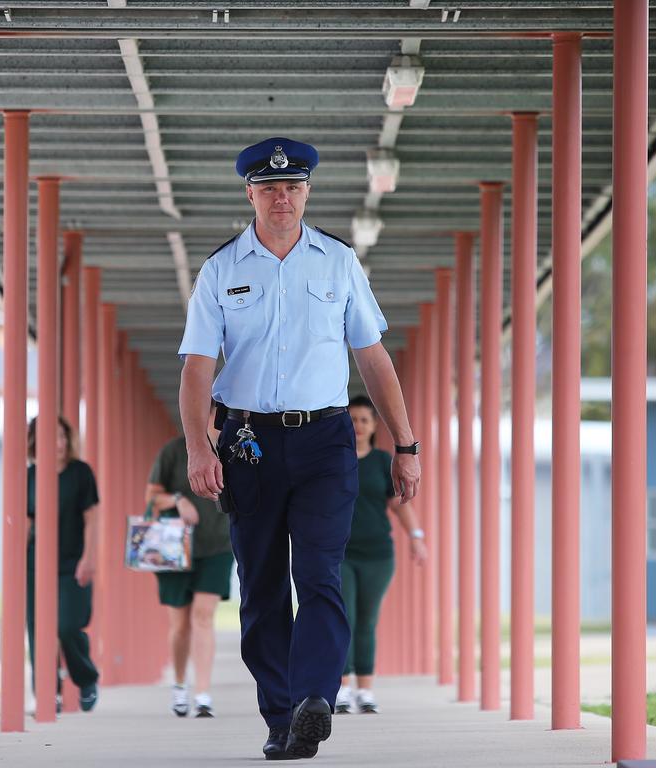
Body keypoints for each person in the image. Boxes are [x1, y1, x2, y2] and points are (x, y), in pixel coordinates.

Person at [178, 137, 421, 761]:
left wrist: (405, 443)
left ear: (307, 192)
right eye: (268, 188)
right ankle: (280, 714)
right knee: (260, 586)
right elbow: (198, 369)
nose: (281, 198)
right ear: (250, 194)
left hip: (325, 438)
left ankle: (314, 697)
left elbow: (372, 358)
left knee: (317, 574)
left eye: (292, 188)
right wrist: (200, 448)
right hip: (248, 440)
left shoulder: (338, 264)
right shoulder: (222, 269)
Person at [335, 396, 429, 715]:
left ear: (374, 425)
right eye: (352, 419)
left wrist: (416, 538)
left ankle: (365, 690)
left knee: (367, 620)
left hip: (377, 555)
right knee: (344, 616)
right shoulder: (334, 459)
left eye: (364, 419)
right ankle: (342, 688)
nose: (358, 425)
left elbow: (398, 506)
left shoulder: (381, 461)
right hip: (341, 553)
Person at [145, 404, 233, 719]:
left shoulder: (235, 450)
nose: (222, 422)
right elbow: (152, 496)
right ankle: (180, 686)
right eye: (217, 415)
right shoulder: (174, 451)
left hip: (219, 546)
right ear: (204, 415)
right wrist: (178, 500)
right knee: (180, 623)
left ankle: (204, 694)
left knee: (203, 616)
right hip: (174, 549)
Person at [26, 415, 100, 713]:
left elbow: (92, 519)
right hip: (36, 563)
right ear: (34, 441)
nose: (56, 443)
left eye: (60, 436)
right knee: (38, 629)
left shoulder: (80, 473)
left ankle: (86, 678)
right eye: (47, 437)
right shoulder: (30, 475)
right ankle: (47, 691)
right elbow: (25, 521)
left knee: (68, 626)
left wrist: (89, 558)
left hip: (73, 562)